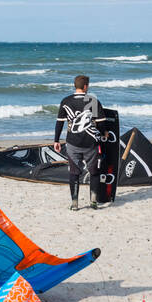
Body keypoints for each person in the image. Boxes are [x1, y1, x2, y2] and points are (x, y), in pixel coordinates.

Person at [53, 74, 107, 212]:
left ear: (75, 86)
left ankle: (75, 203)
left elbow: (59, 123)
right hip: (91, 144)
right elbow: (101, 124)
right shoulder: (93, 101)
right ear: (85, 87)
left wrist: (56, 141)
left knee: (74, 173)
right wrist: (104, 134)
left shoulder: (66, 101)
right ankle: (93, 201)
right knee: (94, 172)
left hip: (73, 143)